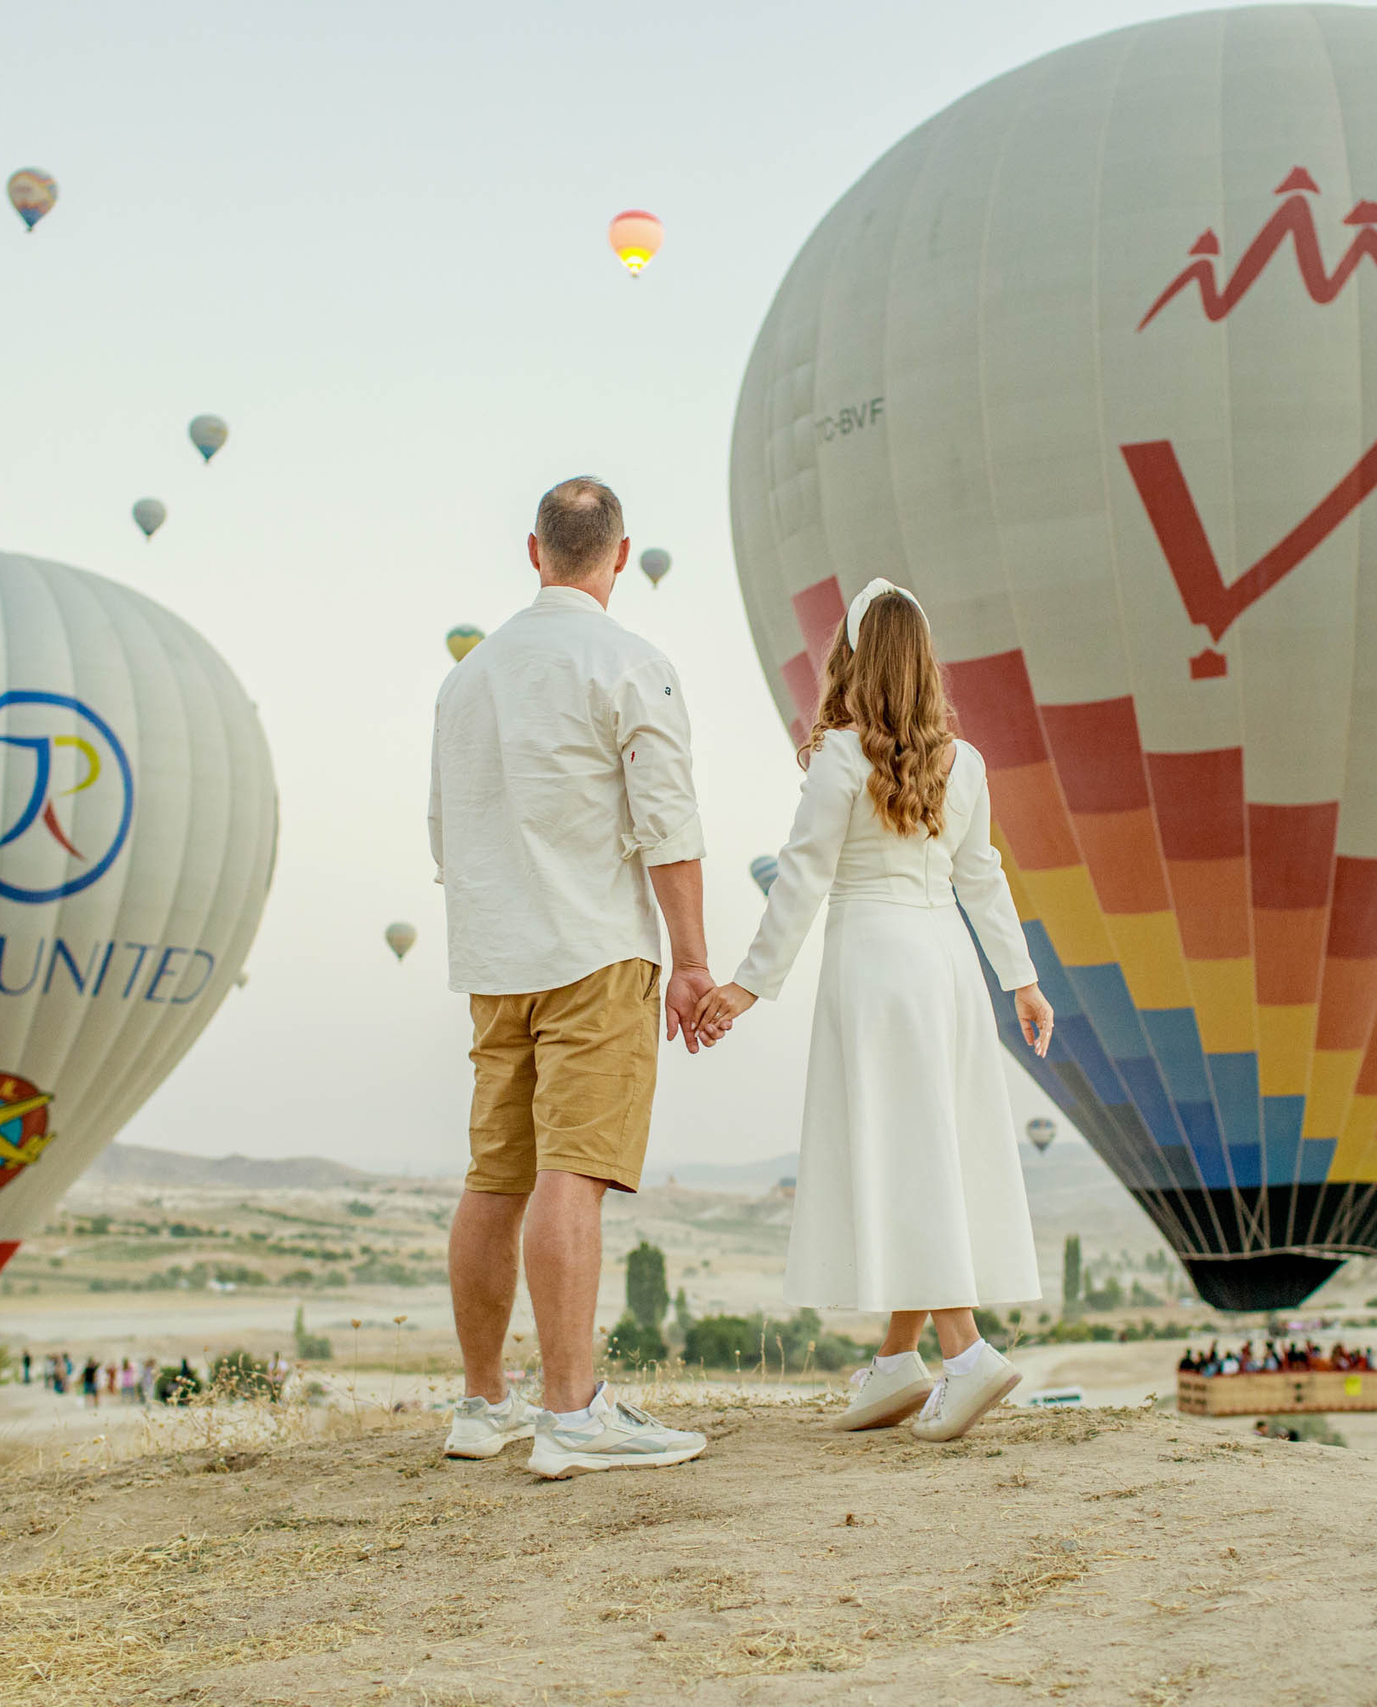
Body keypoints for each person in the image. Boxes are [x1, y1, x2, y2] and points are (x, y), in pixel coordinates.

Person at [695, 577, 1053, 1444]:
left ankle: (965, 1352)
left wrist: (747, 982)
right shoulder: (963, 764)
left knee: (904, 1156)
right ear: (926, 662)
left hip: (872, 967)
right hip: (948, 969)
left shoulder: (837, 759)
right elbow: (983, 876)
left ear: (849, 661)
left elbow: (804, 874)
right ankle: (898, 1361)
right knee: (925, 1148)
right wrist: (1021, 979)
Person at [429, 476, 714, 1479]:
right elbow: (668, 828)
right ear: (622, 556)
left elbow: (442, 830)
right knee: (573, 1172)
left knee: (493, 1175)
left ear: (533, 551)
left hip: (494, 952)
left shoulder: (468, 678)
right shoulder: (631, 663)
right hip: (593, 946)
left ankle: (481, 1405)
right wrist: (692, 963)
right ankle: (572, 1413)